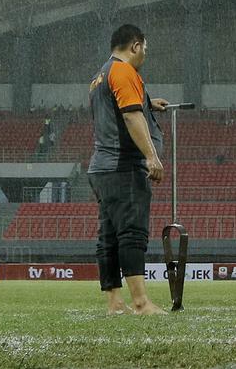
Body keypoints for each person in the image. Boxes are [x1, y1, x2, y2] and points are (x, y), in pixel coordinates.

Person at [87, 24, 170, 316]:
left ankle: (115, 303)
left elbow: (121, 109)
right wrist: (151, 157)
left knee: (108, 235)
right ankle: (141, 302)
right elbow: (131, 116)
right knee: (132, 233)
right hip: (123, 167)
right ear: (135, 45)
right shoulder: (124, 72)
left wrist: (148, 103)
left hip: (101, 168)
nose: (144, 55)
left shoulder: (99, 76)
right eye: (144, 49)